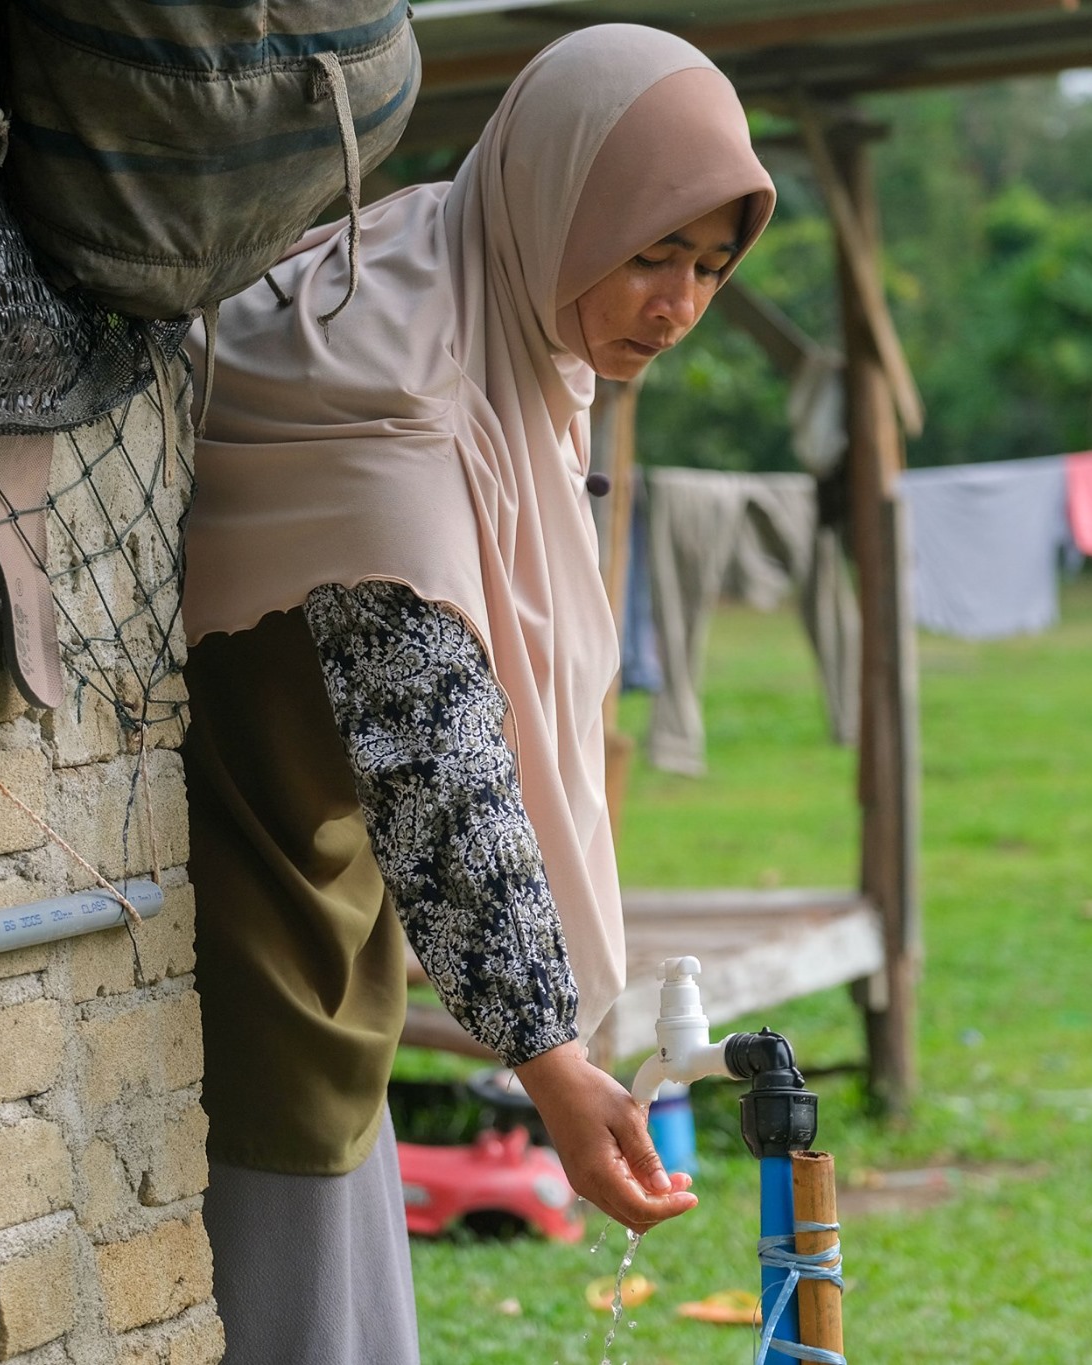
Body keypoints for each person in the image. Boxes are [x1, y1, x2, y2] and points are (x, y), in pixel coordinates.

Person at [176, 25, 775, 1363]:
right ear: (562, 204)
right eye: (650, 252)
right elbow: (435, 758)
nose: (677, 302)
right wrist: (554, 1065)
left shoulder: (453, 270)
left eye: (709, 268)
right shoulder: (402, 388)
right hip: (242, 917)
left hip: (313, 893)